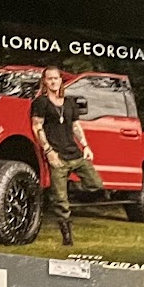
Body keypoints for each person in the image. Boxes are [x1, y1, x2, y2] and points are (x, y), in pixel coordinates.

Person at [30, 64, 103, 247]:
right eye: (49, 79)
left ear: (61, 80)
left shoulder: (69, 102)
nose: (53, 82)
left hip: (75, 153)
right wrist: (49, 151)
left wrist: (86, 146)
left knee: (96, 184)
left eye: (56, 78)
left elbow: (76, 126)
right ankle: (67, 238)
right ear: (45, 81)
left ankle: (67, 189)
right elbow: (37, 127)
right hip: (57, 156)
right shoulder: (41, 102)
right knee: (61, 202)